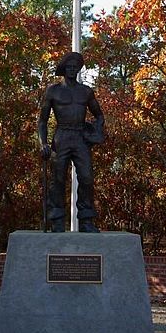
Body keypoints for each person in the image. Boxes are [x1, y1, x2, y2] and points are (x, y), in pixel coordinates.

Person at [38, 52, 105, 233]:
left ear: (78, 69)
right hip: (61, 137)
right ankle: (57, 219)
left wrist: (95, 132)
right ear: (63, 68)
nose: (72, 68)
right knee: (58, 179)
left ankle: (86, 220)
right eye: (69, 66)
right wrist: (43, 143)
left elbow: (99, 115)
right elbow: (42, 121)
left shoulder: (86, 92)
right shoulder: (53, 91)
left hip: (80, 137)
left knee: (87, 178)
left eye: (75, 66)